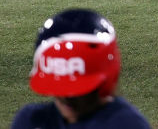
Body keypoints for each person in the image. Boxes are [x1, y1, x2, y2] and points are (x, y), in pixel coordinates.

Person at [12, 8, 149, 128]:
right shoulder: (31, 120)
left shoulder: (125, 124)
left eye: (78, 90)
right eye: (60, 86)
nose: (67, 97)